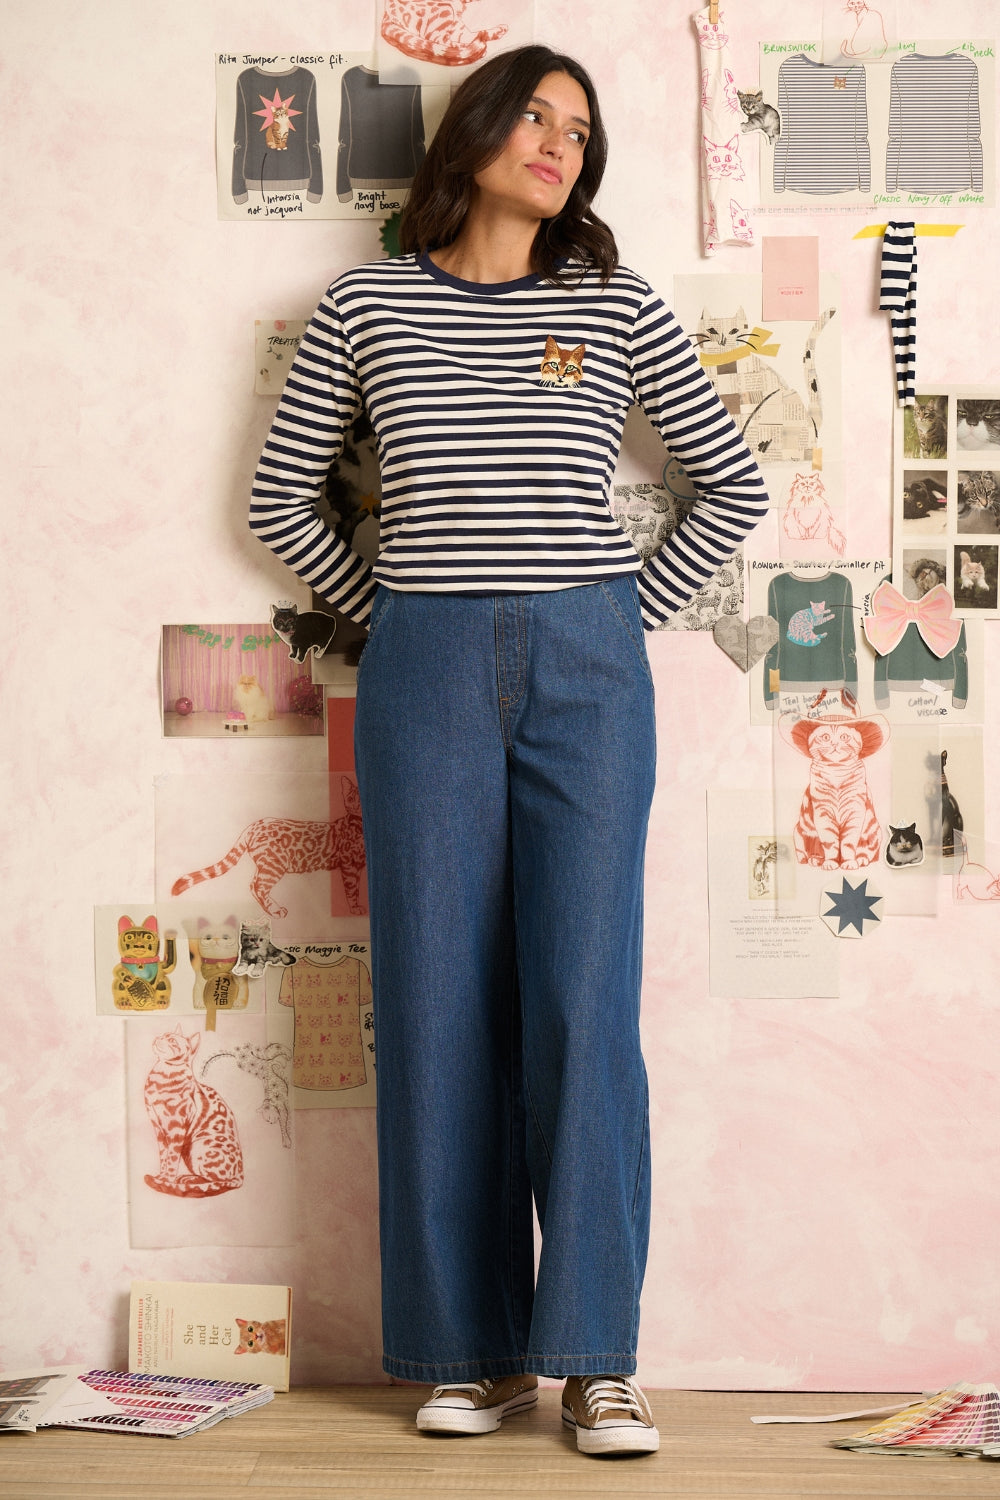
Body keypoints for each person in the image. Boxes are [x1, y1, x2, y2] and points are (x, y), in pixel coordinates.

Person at [250, 44, 768, 1458]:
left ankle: (595, 1352)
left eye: (579, 131)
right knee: (435, 1000)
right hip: (419, 667)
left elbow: (732, 481)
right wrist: (398, 613)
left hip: (588, 673)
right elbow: (280, 498)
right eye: (534, 117)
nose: (557, 144)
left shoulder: (611, 304)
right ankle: (471, 1351)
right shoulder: (362, 307)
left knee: (582, 999)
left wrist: (613, 611)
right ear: (473, 133)